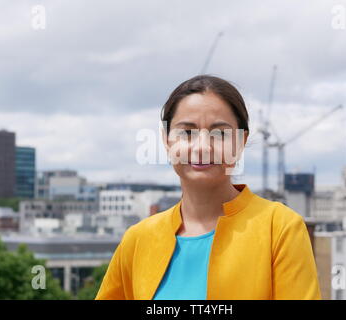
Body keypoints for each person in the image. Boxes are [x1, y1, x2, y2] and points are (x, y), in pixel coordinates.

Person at [95, 75, 321, 300]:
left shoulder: (280, 229)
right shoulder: (138, 240)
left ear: (241, 142)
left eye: (220, 133)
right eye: (187, 132)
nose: (202, 147)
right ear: (167, 141)